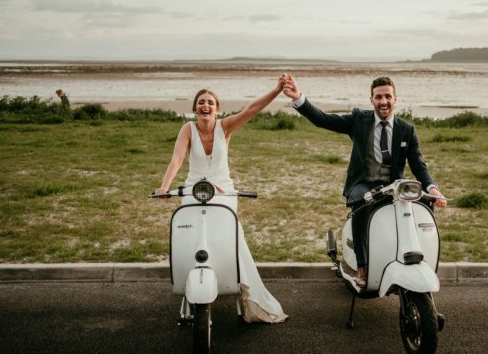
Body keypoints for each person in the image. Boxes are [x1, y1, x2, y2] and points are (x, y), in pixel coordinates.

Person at [282, 75, 447, 289]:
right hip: (363, 183)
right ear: (372, 100)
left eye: (388, 96)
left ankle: (419, 259)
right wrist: (298, 99)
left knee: (424, 204)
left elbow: (418, 165)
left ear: (396, 99)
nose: (383, 101)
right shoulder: (359, 120)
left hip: (393, 187)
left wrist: (433, 189)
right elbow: (324, 119)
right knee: (362, 202)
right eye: (378, 97)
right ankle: (363, 265)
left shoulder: (406, 129)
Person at [154, 75, 288, 323]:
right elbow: (177, 160)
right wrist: (165, 186)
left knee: (230, 229)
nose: (206, 106)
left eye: (210, 103)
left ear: (217, 109)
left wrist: (277, 90)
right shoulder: (187, 129)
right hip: (195, 188)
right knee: (188, 229)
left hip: (223, 190)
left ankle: (235, 280)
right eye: (201, 102)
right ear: (195, 108)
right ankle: (191, 275)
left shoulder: (225, 127)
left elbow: (252, 109)